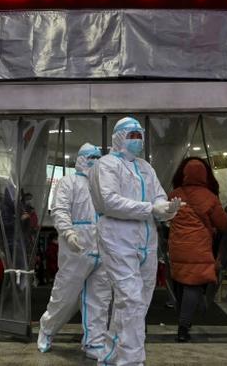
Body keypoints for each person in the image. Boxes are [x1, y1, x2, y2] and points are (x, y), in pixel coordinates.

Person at [89, 117, 183, 366]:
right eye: (132, 136)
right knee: (130, 299)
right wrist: (151, 208)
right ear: (118, 137)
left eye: (140, 135)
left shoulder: (145, 167)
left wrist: (168, 209)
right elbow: (109, 201)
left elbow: (159, 198)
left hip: (146, 240)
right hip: (117, 237)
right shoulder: (106, 165)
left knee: (137, 302)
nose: (137, 141)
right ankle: (131, 361)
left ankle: (109, 355)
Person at [37, 143, 111, 360]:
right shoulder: (68, 182)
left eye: (98, 157)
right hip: (77, 249)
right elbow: (59, 209)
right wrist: (68, 233)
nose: (94, 161)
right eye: (90, 157)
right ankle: (47, 328)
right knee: (65, 296)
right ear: (79, 158)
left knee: (99, 300)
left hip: (104, 250)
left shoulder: (104, 185)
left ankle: (94, 342)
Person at [168, 157, 227, 343]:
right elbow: (224, 224)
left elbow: (166, 217)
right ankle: (183, 328)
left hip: (177, 247)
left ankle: (183, 319)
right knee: (193, 285)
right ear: (205, 174)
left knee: (180, 281)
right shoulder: (209, 197)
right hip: (198, 248)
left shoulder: (174, 195)